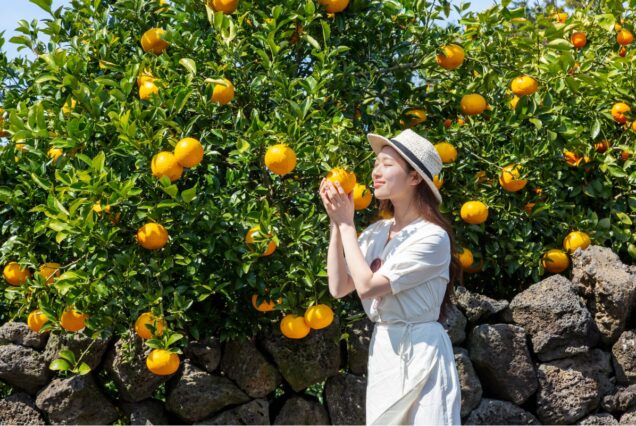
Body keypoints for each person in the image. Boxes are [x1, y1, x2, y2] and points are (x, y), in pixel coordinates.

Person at [318, 128, 462, 425]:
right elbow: (339, 286)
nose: (376, 172)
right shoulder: (376, 232)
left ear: (414, 178)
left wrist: (347, 225)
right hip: (385, 349)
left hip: (423, 351)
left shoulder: (432, 238)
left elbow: (368, 286)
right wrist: (337, 224)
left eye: (387, 164)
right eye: (375, 164)